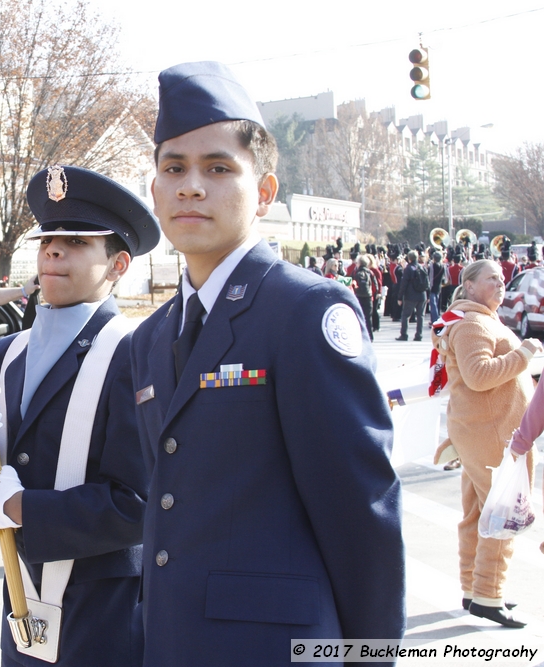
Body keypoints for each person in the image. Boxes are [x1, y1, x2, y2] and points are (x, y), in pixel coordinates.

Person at [131, 61, 404, 666]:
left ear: (266, 191)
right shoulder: (148, 339)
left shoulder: (304, 309)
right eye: (173, 168)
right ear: (154, 190)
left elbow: (360, 509)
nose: (191, 186)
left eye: (218, 168)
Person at [0, 165, 158, 667]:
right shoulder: (4, 354)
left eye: (76, 240)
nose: (53, 250)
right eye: (48, 238)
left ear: (118, 265)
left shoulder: (135, 353)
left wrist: (18, 507)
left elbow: (138, 504)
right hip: (21, 603)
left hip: (104, 618)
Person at [430, 259, 542, 627]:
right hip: (493, 433)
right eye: (492, 277)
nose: (501, 282)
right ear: (470, 285)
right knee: (502, 513)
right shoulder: (474, 324)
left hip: (487, 430)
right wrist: (523, 354)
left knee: (479, 514)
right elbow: (479, 377)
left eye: (502, 278)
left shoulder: (477, 320)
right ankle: (487, 594)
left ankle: (475, 589)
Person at [397, 250, 427, 341]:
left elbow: (404, 284)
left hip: (410, 296)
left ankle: (404, 334)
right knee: (420, 316)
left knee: (405, 316)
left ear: (409, 258)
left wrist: (400, 297)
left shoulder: (408, 269)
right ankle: (419, 335)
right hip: (422, 295)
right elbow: (427, 283)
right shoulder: (422, 268)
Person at [352, 255, 375, 341]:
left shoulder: (355, 273)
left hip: (359, 296)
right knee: (368, 317)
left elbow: (353, 283)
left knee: (359, 316)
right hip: (368, 296)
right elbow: (374, 284)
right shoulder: (370, 272)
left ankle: (361, 335)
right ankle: (370, 336)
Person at [428, 250, 445, 324]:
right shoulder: (443, 266)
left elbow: (430, 277)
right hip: (438, 287)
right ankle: (434, 319)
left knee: (433, 305)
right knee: (436, 304)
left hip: (432, 287)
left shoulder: (432, 266)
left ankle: (435, 320)